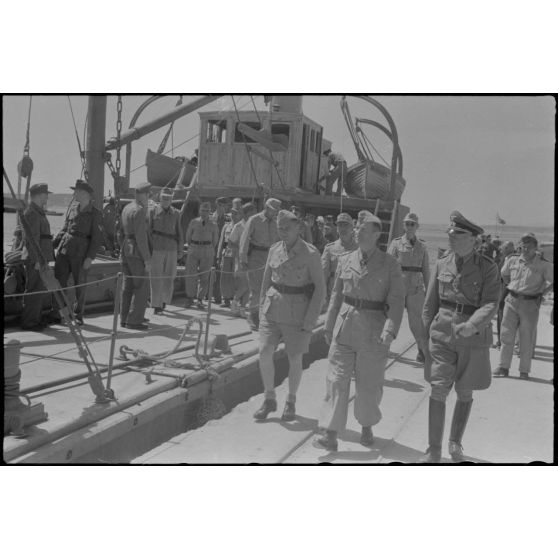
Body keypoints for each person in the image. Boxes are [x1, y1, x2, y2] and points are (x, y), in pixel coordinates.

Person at [314, 213, 405, 451]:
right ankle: (330, 433)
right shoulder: (345, 259)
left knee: (368, 385)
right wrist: (328, 324)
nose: (358, 232)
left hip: (373, 331)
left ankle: (366, 426)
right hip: (345, 328)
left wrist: (390, 329)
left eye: (363, 229)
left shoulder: (390, 264)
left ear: (377, 235)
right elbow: (336, 296)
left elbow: (396, 301)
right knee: (336, 380)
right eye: (357, 228)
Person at [420, 211, 500, 463]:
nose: (451, 238)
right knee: (438, 389)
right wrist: (423, 341)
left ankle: (455, 444)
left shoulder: (488, 267)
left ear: (473, 239)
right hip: (442, 336)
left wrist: (473, 324)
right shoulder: (442, 263)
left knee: (464, 392)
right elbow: (429, 304)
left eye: (458, 234)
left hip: (472, 340)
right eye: (450, 234)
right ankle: (433, 451)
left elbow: (490, 304)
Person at [253, 210, 326, 421]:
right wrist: (260, 308)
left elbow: (320, 290)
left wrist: (310, 320)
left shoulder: (311, 254)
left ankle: (291, 401)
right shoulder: (274, 249)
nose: (283, 232)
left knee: (295, 357)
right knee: (264, 352)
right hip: (272, 308)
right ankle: (269, 399)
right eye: (280, 228)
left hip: (298, 313)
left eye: (287, 228)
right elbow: (266, 281)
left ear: (298, 228)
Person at [493, 233, 553, 380]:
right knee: (506, 336)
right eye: (522, 246)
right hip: (511, 301)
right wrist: (510, 286)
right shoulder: (512, 260)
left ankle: (524, 371)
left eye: (528, 247)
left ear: (535, 248)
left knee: (527, 338)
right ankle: (503, 367)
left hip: (530, 303)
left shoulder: (544, 264)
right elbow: (504, 274)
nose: (525, 249)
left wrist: (542, 293)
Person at [51, 180, 103, 326]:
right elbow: (64, 229)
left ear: (85, 194)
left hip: (81, 254)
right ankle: (59, 314)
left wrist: (90, 257)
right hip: (64, 249)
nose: (74, 194)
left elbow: (97, 238)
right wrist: (52, 246)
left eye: (76, 191)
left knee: (80, 285)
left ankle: (77, 315)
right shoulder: (73, 208)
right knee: (60, 282)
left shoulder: (95, 213)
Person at [387, 212, 430, 362]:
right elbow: (388, 266)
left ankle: (422, 350)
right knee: (392, 319)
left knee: (416, 322)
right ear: (403, 226)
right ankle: (384, 347)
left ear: (417, 227)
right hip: (398, 287)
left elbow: (426, 270)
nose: (410, 226)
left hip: (415, 289)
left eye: (413, 224)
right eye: (407, 224)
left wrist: (429, 292)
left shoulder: (422, 246)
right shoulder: (396, 243)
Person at [239, 198, 281, 330]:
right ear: (266, 207)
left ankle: (264, 316)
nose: (274, 213)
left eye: (276, 211)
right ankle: (252, 315)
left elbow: (280, 241)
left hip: (272, 257)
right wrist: (243, 259)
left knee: (270, 288)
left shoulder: (277, 222)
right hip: (256, 255)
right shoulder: (254, 220)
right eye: (273, 210)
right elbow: (244, 240)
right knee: (256, 288)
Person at [20, 183, 55, 331]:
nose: (47, 197)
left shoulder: (38, 212)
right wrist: (37, 260)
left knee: (38, 289)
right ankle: (29, 322)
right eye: (46, 194)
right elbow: (32, 240)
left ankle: (35, 318)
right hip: (36, 259)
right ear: (40, 195)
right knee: (34, 289)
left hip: (41, 258)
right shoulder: (32, 213)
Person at [120, 182, 153, 330]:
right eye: (148, 195)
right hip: (137, 252)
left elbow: (120, 232)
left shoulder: (127, 208)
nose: (148, 198)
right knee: (141, 286)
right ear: (144, 195)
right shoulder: (139, 211)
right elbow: (141, 237)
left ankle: (124, 317)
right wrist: (147, 258)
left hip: (126, 248)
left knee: (128, 286)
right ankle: (134, 320)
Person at [148, 187, 184, 315]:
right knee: (156, 277)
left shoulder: (176, 213)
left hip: (171, 249)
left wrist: (180, 250)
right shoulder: (152, 211)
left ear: (171, 200)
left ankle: (164, 301)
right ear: (160, 198)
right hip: (156, 248)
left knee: (169, 277)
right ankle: (156, 305)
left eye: (168, 198)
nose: (166, 200)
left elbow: (180, 233)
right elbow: (148, 231)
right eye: (163, 198)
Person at [185, 201, 219, 309]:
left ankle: (200, 299)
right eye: (203, 210)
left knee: (205, 276)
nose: (204, 212)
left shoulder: (213, 224)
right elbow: (188, 237)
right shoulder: (193, 222)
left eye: (207, 211)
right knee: (191, 274)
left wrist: (208, 248)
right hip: (194, 248)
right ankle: (190, 298)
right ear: (199, 211)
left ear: (210, 212)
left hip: (207, 250)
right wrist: (193, 245)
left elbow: (215, 241)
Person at [321, 212, 357, 303]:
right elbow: (323, 273)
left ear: (352, 228)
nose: (343, 228)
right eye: (340, 225)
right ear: (337, 229)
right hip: (333, 293)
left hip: (353, 293)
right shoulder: (329, 248)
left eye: (346, 225)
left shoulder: (360, 248)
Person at [228, 202, 256, 317]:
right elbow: (230, 243)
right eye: (252, 212)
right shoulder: (238, 226)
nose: (255, 214)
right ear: (247, 213)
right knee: (244, 284)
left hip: (253, 258)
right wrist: (241, 249)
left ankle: (243, 308)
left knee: (249, 286)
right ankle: (234, 302)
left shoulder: (255, 225)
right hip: (241, 259)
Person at [217, 205, 243, 308]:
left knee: (236, 277)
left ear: (240, 215)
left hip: (237, 254)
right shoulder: (226, 226)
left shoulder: (242, 226)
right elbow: (221, 242)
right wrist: (218, 256)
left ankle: (236, 299)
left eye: (235, 213)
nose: (233, 215)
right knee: (225, 277)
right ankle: (226, 299)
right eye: (232, 213)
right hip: (227, 253)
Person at [494, 240, 515, 348]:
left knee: (504, 316)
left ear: (508, 248)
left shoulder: (515, 259)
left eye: (503, 248)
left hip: (508, 290)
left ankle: (503, 342)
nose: (501, 250)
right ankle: (500, 341)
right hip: (501, 289)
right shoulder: (504, 258)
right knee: (500, 316)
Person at [211, 197, 230, 305]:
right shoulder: (212, 218)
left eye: (224, 206)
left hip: (221, 249)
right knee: (211, 272)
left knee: (219, 273)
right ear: (217, 205)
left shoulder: (226, 218)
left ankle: (217, 296)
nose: (223, 208)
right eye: (222, 205)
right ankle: (212, 295)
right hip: (212, 248)